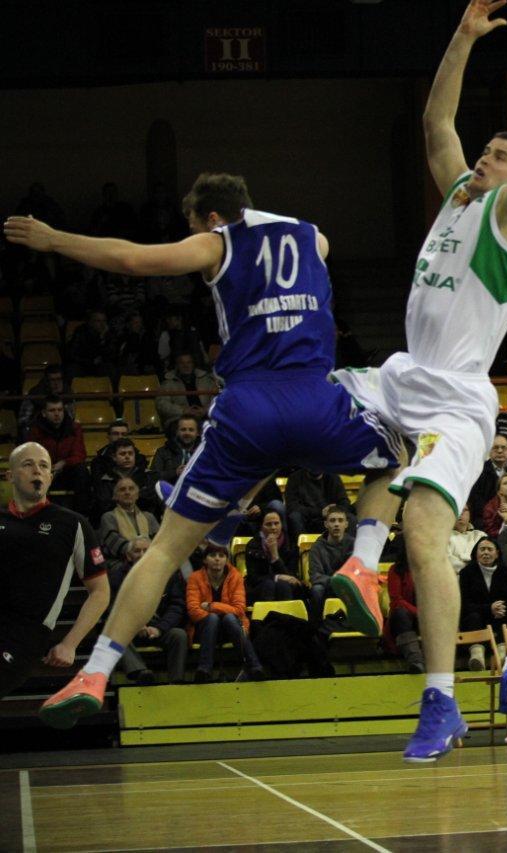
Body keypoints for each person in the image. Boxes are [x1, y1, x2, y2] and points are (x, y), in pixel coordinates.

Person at [324, 3, 507, 762]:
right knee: (307, 408)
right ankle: (358, 563)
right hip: (404, 376)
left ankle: (441, 699)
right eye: (484, 151)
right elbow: (436, 124)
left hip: (457, 400)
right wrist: (460, 38)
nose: (482, 160)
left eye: (495, 155)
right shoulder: (462, 197)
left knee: (426, 529)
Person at [7, 170, 406, 729]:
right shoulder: (310, 236)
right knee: (397, 458)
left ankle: (94, 672)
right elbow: (316, 241)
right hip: (317, 403)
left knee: (165, 551)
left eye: (195, 224)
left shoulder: (217, 243)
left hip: (249, 409)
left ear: (212, 219)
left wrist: (54, 240)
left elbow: (132, 260)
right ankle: (362, 563)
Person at [0, 443, 111, 700]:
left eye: (43, 466)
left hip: (24, 635)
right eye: (28, 464)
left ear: (50, 477)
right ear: (10, 476)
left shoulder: (72, 524)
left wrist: (70, 644)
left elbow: (100, 591)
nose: (37, 471)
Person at [186, 543, 264, 683]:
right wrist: (216, 613)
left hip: (231, 628)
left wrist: (211, 606)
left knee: (229, 618)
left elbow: (239, 610)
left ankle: (255, 667)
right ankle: (204, 670)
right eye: (212, 555)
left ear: (227, 560)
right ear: (205, 560)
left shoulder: (236, 576)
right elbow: (193, 610)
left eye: (221, 556)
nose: (217, 559)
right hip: (204, 629)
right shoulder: (195, 578)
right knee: (213, 619)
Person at [118, 569, 189, 685]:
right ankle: (139, 672)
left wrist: (160, 629)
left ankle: (176, 680)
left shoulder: (170, 576)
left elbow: (176, 607)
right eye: (137, 552)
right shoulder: (121, 575)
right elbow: (116, 607)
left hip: (160, 628)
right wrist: (136, 624)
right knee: (114, 638)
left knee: (179, 635)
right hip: (131, 630)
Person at [26, 394, 92, 513]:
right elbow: (32, 454)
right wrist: (47, 467)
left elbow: (80, 454)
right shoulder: (35, 430)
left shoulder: (74, 428)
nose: (57, 414)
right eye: (52, 410)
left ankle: (83, 516)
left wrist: (64, 463)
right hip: (44, 471)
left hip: (68, 471)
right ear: (44, 413)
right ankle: (37, 515)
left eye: (60, 410)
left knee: (82, 471)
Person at [458, 536, 507, 670]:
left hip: (499, 617)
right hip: (474, 617)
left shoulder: (505, 572)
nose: (486, 553)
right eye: (482, 549)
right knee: (473, 617)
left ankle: (502, 654)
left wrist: (498, 609)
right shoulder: (466, 573)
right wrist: (489, 609)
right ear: (476, 553)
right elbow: (464, 604)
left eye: (489, 549)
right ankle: (477, 656)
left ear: (497, 553)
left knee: (504, 615)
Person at [98, 475, 160, 589]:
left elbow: (159, 542)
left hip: (148, 559)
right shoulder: (109, 517)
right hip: (120, 563)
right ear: (115, 496)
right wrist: (138, 554)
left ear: (137, 494)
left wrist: (145, 554)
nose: (127, 492)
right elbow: (115, 545)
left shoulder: (149, 517)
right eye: (122, 490)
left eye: (131, 489)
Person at [244, 509, 304, 605]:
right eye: (268, 524)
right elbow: (253, 578)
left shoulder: (291, 544)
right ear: (261, 526)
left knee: (283, 586)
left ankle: (286, 614)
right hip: (260, 587)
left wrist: (275, 557)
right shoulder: (253, 545)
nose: (273, 527)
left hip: (286, 586)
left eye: (276, 523)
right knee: (269, 585)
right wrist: (277, 577)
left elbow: (291, 577)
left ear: (282, 524)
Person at [308, 504, 354, 621]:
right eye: (332, 520)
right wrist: (336, 581)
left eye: (340, 520)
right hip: (327, 587)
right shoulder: (317, 547)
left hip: (348, 587)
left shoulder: (354, 545)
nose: (336, 524)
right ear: (326, 524)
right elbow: (315, 577)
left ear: (346, 524)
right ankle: (318, 625)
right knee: (317, 589)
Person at [156, 352, 218, 429]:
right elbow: (162, 404)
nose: (186, 366)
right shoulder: (168, 383)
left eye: (189, 362)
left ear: (193, 364)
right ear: (177, 365)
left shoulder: (206, 380)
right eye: (182, 363)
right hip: (179, 419)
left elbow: (217, 398)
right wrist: (183, 411)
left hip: (205, 417)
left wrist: (205, 409)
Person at [386, 557, 425, 673]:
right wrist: (418, 613)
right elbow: (396, 601)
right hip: (404, 619)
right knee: (400, 613)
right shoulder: (396, 570)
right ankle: (416, 660)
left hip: (426, 618)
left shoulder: (432, 568)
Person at [150, 415, 201, 486]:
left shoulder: (206, 452)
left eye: (191, 430)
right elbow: (153, 477)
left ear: (198, 433)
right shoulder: (163, 452)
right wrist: (175, 472)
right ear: (177, 432)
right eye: (183, 429)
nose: (187, 433)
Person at [448, 507, 487, 572]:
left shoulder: (480, 535)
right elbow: (446, 560)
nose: (461, 513)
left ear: (469, 515)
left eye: (465, 510)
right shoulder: (444, 537)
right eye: (457, 510)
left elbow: (487, 559)